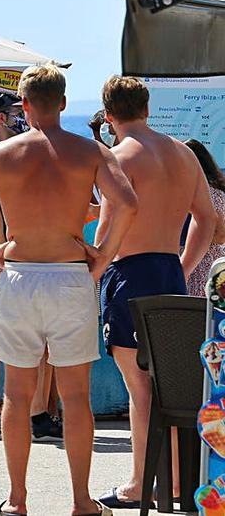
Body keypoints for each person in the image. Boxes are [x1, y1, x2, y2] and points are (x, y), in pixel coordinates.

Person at [0, 63, 137, 516]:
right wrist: (102, 255)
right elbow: (126, 202)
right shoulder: (89, 151)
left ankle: (17, 500)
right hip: (71, 275)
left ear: (25, 105)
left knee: (16, 394)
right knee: (75, 396)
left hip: (18, 276)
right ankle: (80, 501)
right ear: (64, 103)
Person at [96, 75, 215, 510]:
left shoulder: (117, 157)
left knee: (139, 389)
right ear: (146, 108)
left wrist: (96, 265)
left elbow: (111, 224)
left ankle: (138, 483)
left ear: (109, 116)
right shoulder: (183, 154)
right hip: (169, 272)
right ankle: (180, 481)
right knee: (174, 386)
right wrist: (182, 264)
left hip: (130, 272)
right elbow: (205, 218)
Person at [0, 91, 61, 442]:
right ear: (3, 118)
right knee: (21, 335)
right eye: (15, 113)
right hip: (1, 256)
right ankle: (33, 416)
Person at [185, 139, 225, 297]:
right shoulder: (216, 190)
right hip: (214, 268)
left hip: (202, 270)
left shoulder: (203, 193)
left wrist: (184, 267)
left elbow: (219, 234)